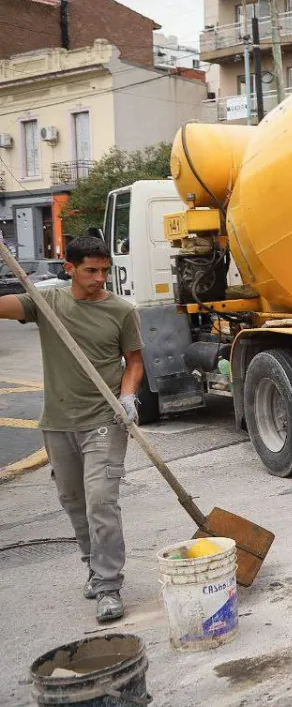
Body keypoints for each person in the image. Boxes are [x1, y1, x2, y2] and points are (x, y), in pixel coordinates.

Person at [0, 237, 144, 623]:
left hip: (105, 419)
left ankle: (109, 586)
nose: (100, 278)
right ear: (70, 269)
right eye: (90, 270)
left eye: (104, 270)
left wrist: (128, 397)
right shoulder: (47, 303)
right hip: (58, 421)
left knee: (101, 501)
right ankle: (94, 569)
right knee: (73, 501)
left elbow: (133, 362)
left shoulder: (121, 311)